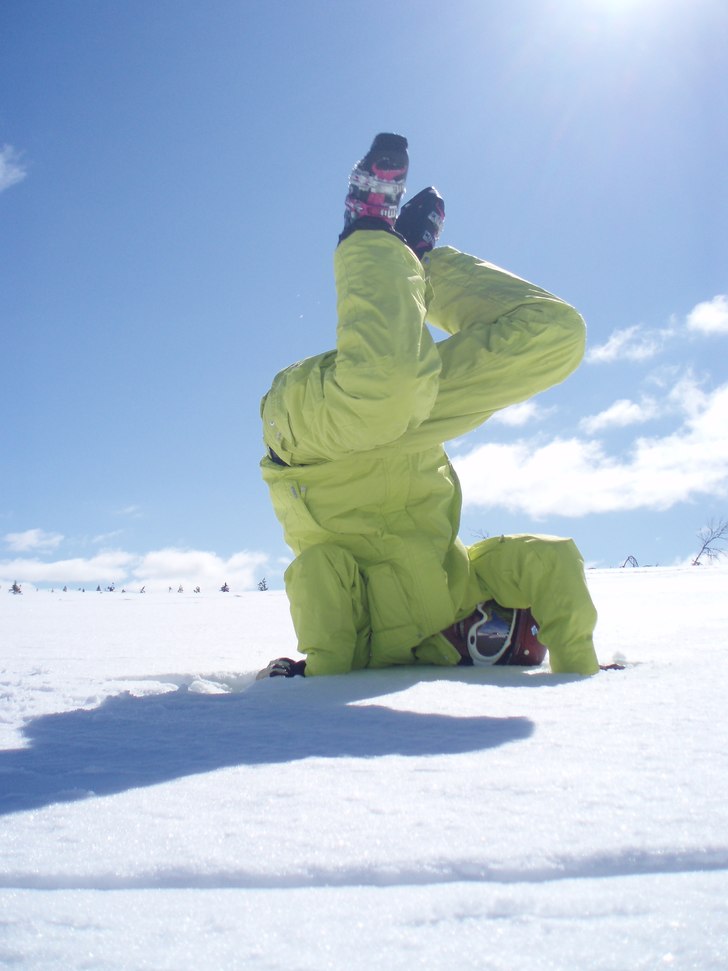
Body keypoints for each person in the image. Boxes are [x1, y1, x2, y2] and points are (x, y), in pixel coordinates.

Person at [257, 133, 599, 680]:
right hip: (406, 424)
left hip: (313, 449)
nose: (476, 634)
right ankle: (417, 265)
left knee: (386, 392)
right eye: (496, 628)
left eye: (487, 645)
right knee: (557, 336)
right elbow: (549, 561)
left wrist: (321, 668)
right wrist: (578, 663)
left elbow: (320, 569)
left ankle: (369, 229)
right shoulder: (467, 584)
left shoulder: (376, 656)